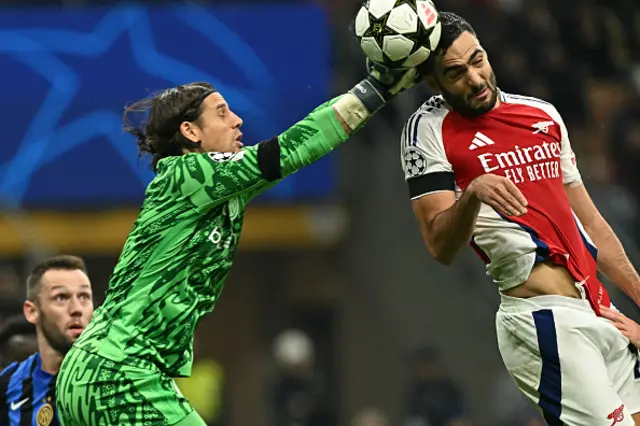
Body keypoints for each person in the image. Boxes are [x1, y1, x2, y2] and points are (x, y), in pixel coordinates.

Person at [55, 60, 424, 425]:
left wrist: (376, 94)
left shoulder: (219, 187)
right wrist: (375, 89)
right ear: (191, 132)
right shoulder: (189, 174)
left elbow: (298, 149)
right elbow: (290, 148)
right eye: (221, 113)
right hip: (120, 370)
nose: (237, 120)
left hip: (92, 370)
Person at [400, 11, 640, 426]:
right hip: (542, 319)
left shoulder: (542, 115)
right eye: (455, 73)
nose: (475, 79)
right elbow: (439, 245)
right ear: (433, 82)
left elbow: (592, 225)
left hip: (599, 308)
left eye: (478, 60)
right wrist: (473, 192)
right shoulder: (428, 130)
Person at [0, 255, 94, 426]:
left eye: (84, 296)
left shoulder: (120, 379)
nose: (77, 309)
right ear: (32, 312)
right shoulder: (8, 385)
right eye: (61, 297)